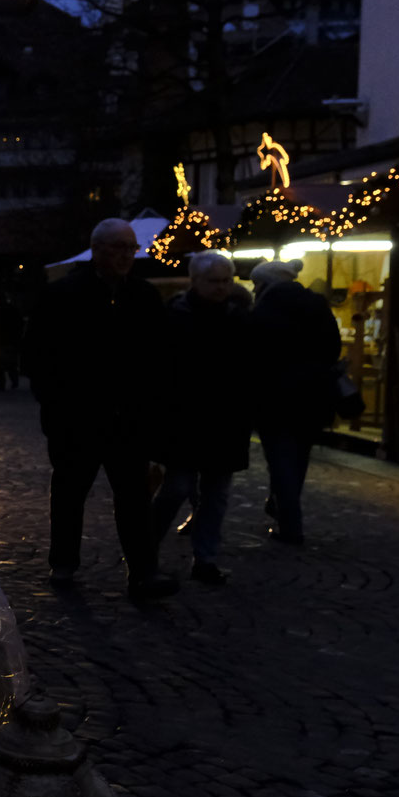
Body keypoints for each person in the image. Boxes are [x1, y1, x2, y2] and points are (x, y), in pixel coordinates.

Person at [23, 218, 180, 601]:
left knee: (134, 498)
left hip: (128, 420)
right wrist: (58, 406)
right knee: (70, 493)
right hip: (76, 420)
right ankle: (64, 561)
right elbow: (37, 356)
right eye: (118, 247)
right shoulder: (62, 296)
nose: (126, 255)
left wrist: (151, 410)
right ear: (98, 249)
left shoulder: (143, 297)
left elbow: (161, 359)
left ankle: (143, 570)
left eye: (130, 248)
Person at [150, 251, 253, 585]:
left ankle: (205, 558)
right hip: (185, 421)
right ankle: (145, 547)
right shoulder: (174, 318)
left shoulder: (238, 318)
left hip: (225, 422)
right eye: (215, 281)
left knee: (215, 494)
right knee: (177, 488)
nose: (222, 287)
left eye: (226, 281)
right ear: (196, 281)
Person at [249, 258, 340, 546]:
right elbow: (333, 348)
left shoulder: (265, 308)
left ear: (265, 282)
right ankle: (282, 507)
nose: (253, 289)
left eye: (256, 283)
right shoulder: (316, 304)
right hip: (313, 396)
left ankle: (290, 524)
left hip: (274, 397)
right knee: (299, 458)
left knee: (280, 459)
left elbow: (254, 352)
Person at [0, 292, 25, 390]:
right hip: (10, 341)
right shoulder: (12, 309)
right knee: (11, 364)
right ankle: (13, 382)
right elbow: (20, 323)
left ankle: (2, 385)